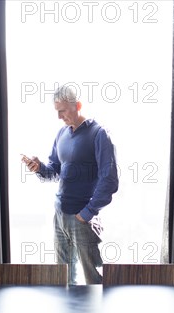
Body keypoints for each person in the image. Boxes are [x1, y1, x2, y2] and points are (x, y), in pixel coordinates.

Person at [22, 85, 119, 284]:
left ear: (78, 106)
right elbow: (55, 171)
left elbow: (109, 180)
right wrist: (39, 167)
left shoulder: (99, 134)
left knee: (94, 282)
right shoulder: (61, 134)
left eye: (63, 111)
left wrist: (87, 213)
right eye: (56, 111)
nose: (59, 117)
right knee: (64, 281)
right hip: (59, 217)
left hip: (82, 219)